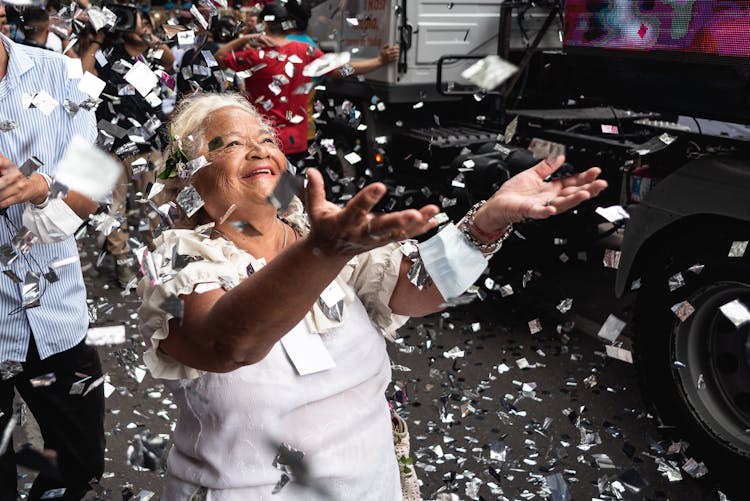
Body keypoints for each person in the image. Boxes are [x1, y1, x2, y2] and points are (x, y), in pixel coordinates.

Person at [137, 92, 607, 500]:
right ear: (191, 176)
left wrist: (489, 220)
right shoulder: (176, 262)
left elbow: (417, 287)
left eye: (265, 140)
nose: (258, 150)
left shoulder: (313, 234)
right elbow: (228, 344)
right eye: (232, 143)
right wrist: (322, 254)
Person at [0, 30, 104, 501]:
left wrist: (39, 186)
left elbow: (94, 184)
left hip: (55, 314)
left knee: (78, 464)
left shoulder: (60, 72)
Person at [214, 2, 399, 165]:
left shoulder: (254, 56)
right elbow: (342, 69)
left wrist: (246, 38)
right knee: (294, 196)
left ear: (265, 25)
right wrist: (379, 61)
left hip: (263, 142)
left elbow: (218, 58)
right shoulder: (305, 51)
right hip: (298, 141)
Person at [80, 7, 174, 288]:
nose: (139, 25)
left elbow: (169, 60)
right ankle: (123, 264)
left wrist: (150, 35)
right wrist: (98, 38)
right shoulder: (106, 55)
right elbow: (82, 79)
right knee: (115, 208)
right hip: (112, 144)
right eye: (134, 21)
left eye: (144, 20)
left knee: (152, 206)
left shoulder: (152, 56)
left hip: (150, 143)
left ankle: (159, 261)